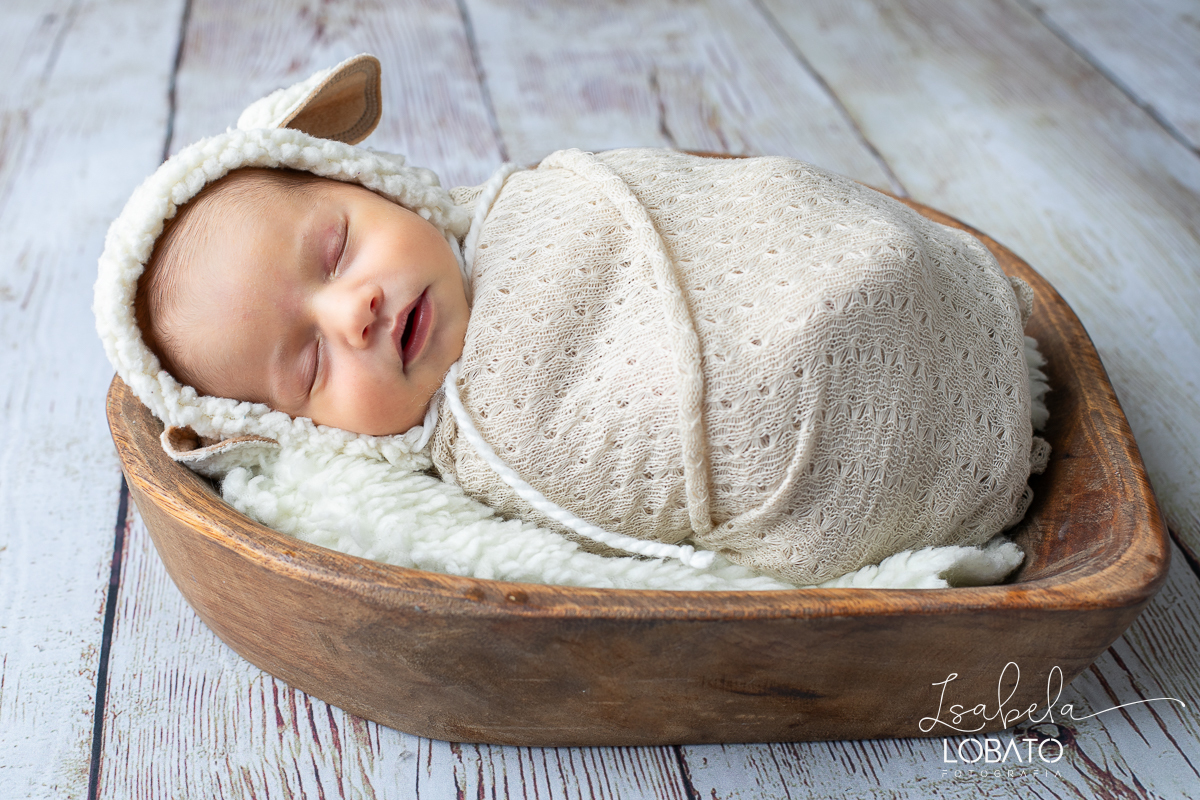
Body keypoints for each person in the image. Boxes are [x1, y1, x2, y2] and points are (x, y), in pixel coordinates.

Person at [96, 55, 1047, 586]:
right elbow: (637, 566)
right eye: (307, 367)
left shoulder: (537, 200)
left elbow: (733, 205)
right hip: (842, 458)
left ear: (362, 181)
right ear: (287, 431)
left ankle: (936, 342)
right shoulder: (481, 456)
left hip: (926, 286)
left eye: (337, 252)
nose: (355, 315)